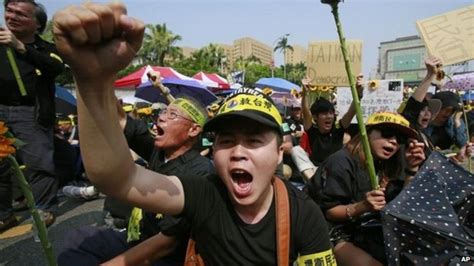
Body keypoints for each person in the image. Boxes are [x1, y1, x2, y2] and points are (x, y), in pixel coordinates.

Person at [53, 3, 334, 264]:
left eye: (254, 141)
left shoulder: (304, 215)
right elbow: (116, 177)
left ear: (278, 152)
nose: (238, 152)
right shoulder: (205, 193)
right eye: (226, 141)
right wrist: (90, 80)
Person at [57, 96, 214, 265]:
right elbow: (121, 120)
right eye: (164, 112)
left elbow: (167, 243)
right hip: (138, 236)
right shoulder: (159, 150)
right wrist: (100, 82)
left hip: (167, 257)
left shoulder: (200, 171)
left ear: (193, 130)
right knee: (78, 239)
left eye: (173, 115)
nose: (161, 117)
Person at [308, 112, 426, 265]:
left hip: (367, 229)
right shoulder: (341, 162)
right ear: (367, 133)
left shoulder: (388, 164)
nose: (393, 141)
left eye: (400, 139)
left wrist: (412, 168)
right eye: (387, 134)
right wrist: (362, 206)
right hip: (331, 232)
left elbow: (403, 204)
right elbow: (330, 212)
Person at [0, 0, 64, 229]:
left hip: (30, 113)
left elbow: (56, 67)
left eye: (21, 14)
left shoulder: (47, 49)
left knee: (39, 162)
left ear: (37, 25)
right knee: (1, 166)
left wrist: (20, 47)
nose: (12, 16)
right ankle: (4, 214)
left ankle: (44, 208)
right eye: (9, 11)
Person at [298, 76, 363, 178]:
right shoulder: (312, 130)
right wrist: (305, 93)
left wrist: (358, 94)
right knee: (296, 150)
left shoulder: (338, 129)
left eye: (331, 113)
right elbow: (306, 113)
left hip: (334, 170)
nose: (329, 116)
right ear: (315, 117)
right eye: (324, 113)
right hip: (314, 171)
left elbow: (352, 112)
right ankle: (314, 181)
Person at [398, 57, 442, 156]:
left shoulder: (425, 136)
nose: (427, 113)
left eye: (429, 110)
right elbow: (412, 108)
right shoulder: (409, 135)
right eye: (422, 110)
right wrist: (430, 75)